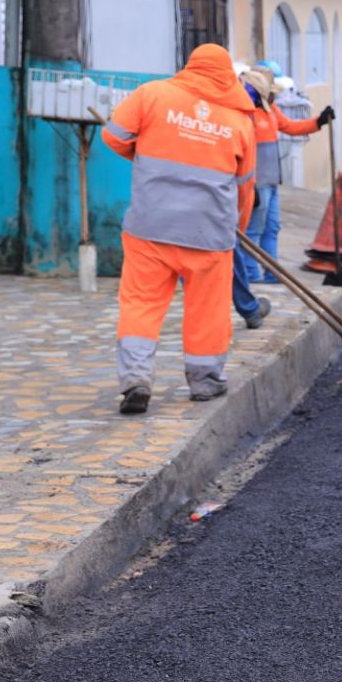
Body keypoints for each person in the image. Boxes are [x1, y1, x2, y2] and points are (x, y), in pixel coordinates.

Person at [100, 44, 255, 415]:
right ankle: (204, 382)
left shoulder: (152, 95)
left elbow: (114, 136)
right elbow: (246, 184)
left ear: (190, 66)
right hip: (209, 234)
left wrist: (144, 154)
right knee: (208, 310)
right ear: (227, 77)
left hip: (150, 227)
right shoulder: (239, 122)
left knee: (141, 303)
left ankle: (136, 379)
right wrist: (238, 227)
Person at [233, 64, 333, 329]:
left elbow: (290, 127)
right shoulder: (245, 115)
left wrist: (318, 122)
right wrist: (248, 186)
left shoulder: (269, 110)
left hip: (272, 180)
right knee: (253, 230)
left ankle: (272, 273)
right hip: (254, 183)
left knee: (272, 226)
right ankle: (253, 277)